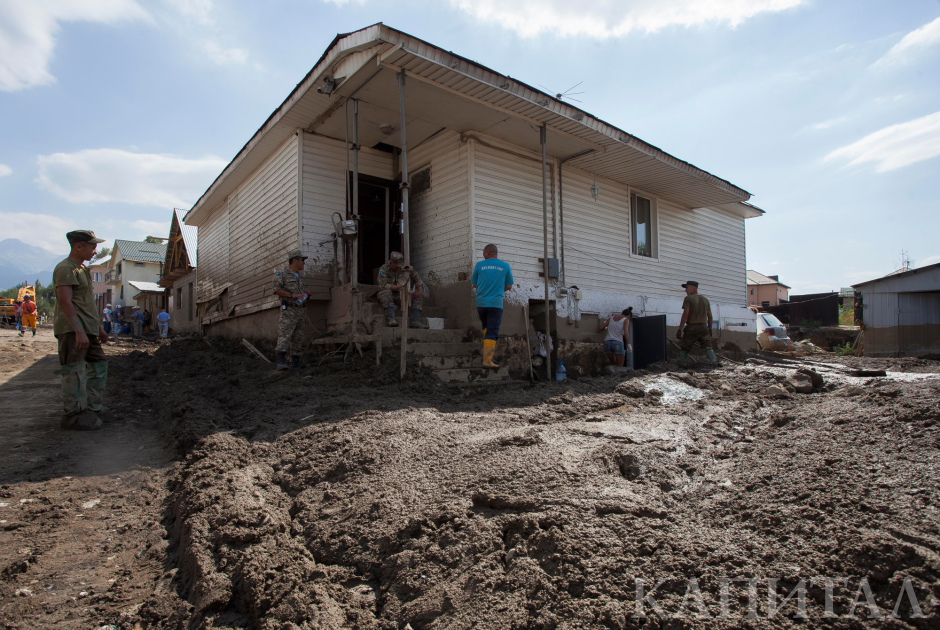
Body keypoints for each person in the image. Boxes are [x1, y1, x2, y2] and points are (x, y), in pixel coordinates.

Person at [53, 230, 109, 431]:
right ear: (78, 246)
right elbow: (65, 301)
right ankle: (73, 415)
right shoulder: (65, 269)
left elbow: (86, 304)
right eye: (92, 246)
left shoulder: (82, 270)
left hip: (88, 329)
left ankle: (92, 410)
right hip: (72, 330)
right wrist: (78, 331)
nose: (95, 250)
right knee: (74, 371)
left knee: (99, 366)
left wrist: (98, 328)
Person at [471, 244, 514, 369]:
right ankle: (487, 360)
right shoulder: (505, 266)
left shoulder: (479, 265)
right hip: (495, 303)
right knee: (492, 331)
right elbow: (509, 286)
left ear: (487, 252)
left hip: (481, 303)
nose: (483, 254)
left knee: (486, 327)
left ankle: (487, 353)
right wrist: (499, 289)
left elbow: (474, 284)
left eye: (483, 252)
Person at [272, 249, 316, 370]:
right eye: (302, 260)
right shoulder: (282, 274)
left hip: (301, 311)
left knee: (298, 336)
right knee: (285, 334)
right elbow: (276, 289)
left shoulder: (301, 279)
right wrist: (291, 295)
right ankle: (281, 361)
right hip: (289, 311)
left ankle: (295, 361)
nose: (304, 262)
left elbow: (301, 296)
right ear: (295, 260)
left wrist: (307, 295)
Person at [376, 252, 428, 328]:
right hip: (388, 296)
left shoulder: (404, 268)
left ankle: (415, 322)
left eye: (399, 266)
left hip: (401, 295)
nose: (398, 268)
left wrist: (419, 291)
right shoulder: (384, 269)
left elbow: (417, 277)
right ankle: (391, 319)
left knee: (418, 297)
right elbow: (383, 285)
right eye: (396, 266)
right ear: (390, 263)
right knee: (385, 292)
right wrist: (400, 286)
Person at [676, 280, 717, 363]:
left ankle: (681, 363)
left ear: (693, 287)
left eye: (687, 287)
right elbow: (710, 316)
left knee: (685, 348)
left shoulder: (688, 299)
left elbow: (685, 315)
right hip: (703, 328)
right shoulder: (705, 299)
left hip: (691, 328)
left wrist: (680, 329)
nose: (685, 290)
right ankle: (714, 362)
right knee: (708, 348)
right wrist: (710, 329)